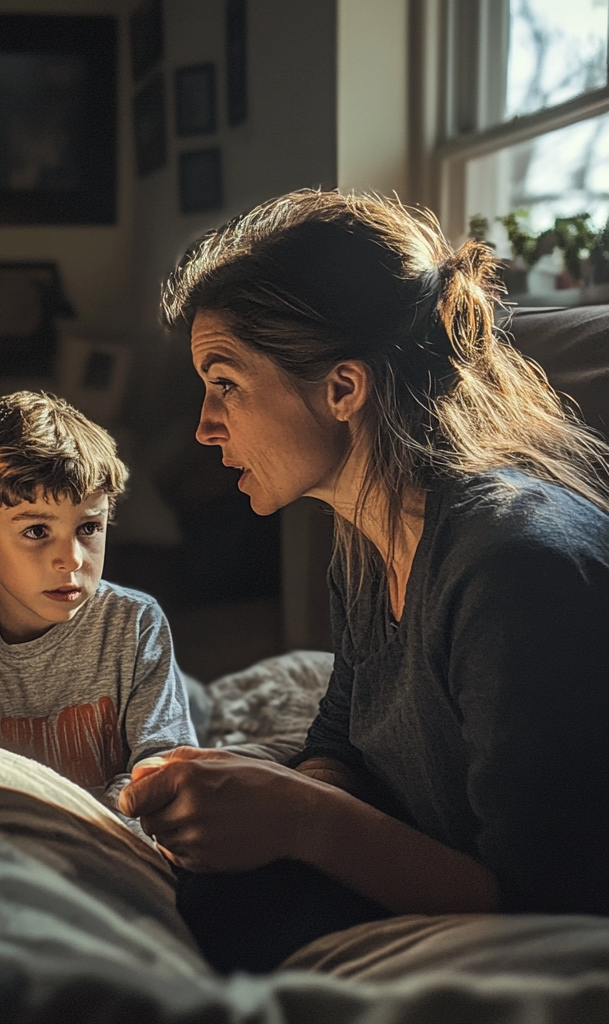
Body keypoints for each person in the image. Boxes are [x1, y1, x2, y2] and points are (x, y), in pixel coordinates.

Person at [119, 190, 609, 973]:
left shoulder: (515, 572)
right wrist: (290, 799)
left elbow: (556, 905)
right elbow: (343, 730)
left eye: (225, 382)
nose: (208, 426)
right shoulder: (370, 529)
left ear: (343, 389)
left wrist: (306, 819)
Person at [0, 391, 196, 809]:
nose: (72, 559)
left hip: (116, 840)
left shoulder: (134, 624)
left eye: (88, 528)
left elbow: (164, 764)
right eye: (36, 532)